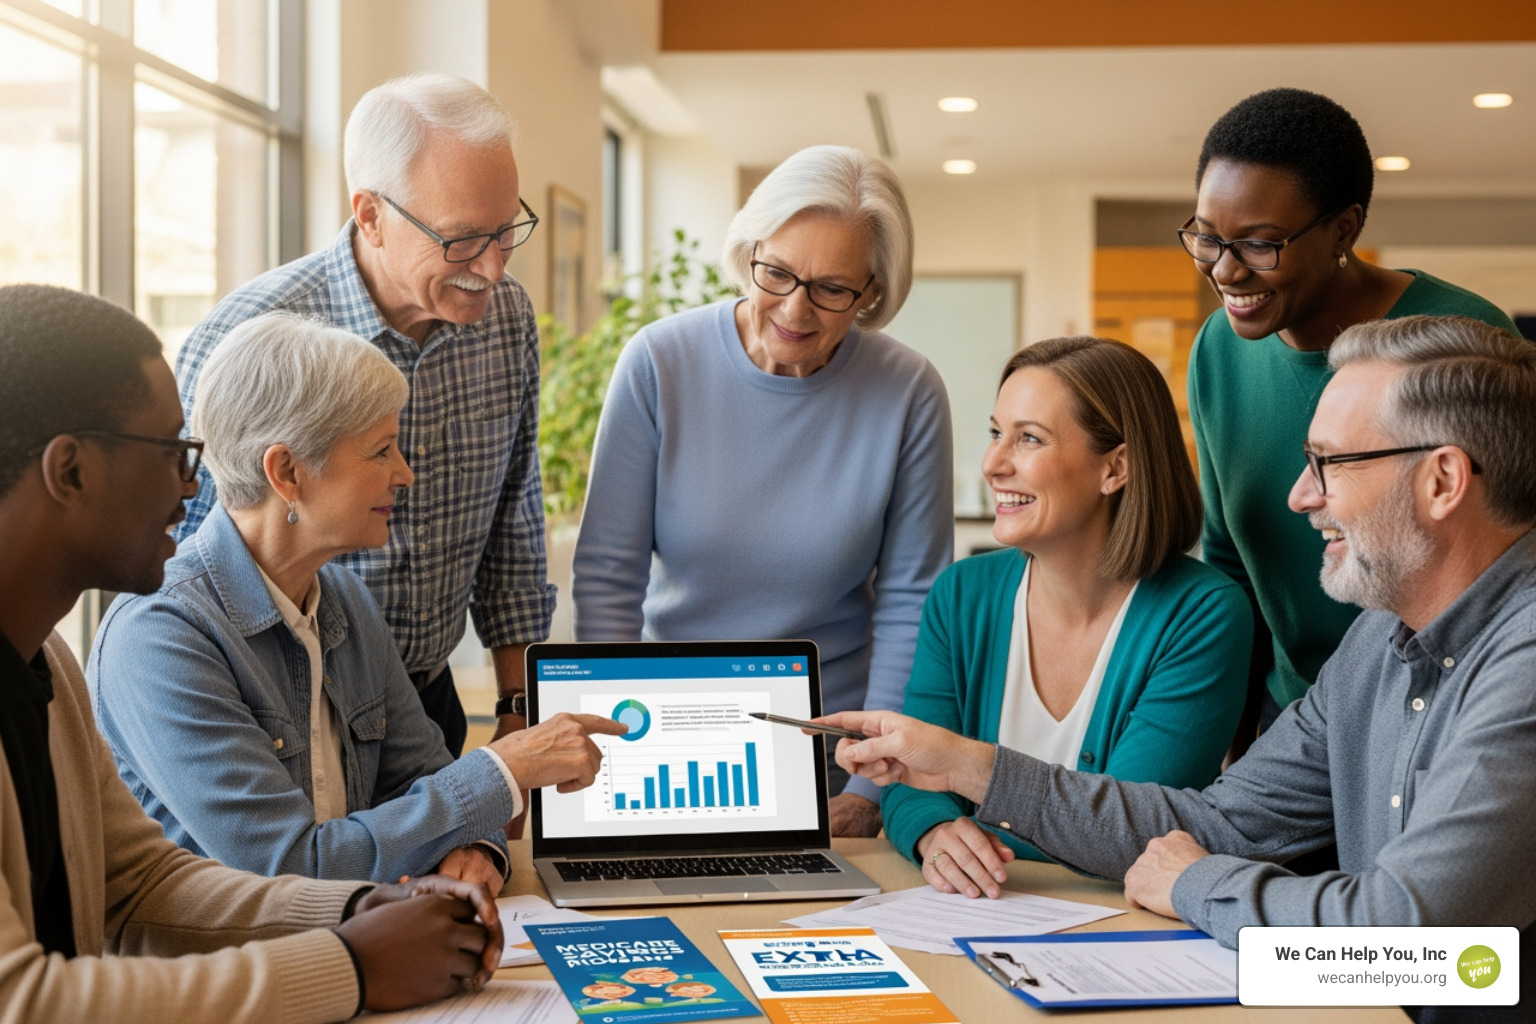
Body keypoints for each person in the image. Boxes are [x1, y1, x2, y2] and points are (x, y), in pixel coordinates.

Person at [827, 315, 1535, 1024]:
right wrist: (970, 770)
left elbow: (1409, 938)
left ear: (1442, 480)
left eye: (1330, 463)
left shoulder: (1524, 658)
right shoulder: (1376, 641)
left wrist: (1199, 882)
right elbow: (1218, 820)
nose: (1300, 496)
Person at [0, 283, 507, 1021]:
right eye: (171, 452)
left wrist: (363, 905)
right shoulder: (154, 630)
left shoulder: (50, 667)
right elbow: (21, 999)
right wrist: (353, 961)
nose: (191, 483)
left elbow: (143, 883)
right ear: (70, 471)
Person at [90, 313, 624, 886]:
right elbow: (291, 866)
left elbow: (431, 782)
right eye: (381, 451)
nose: (406, 474)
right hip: (225, 969)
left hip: (355, 942)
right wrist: (502, 771)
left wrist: (477, 850)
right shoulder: (160, 633)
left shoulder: (343, 598)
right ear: (287, 472)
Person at [571, 145, 953, 837]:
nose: (795, 309)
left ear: (872, 291)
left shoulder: (908, 391)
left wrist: (869, 784)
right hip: (663, 736)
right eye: (775, 272)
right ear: (749, 248)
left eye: (833, 288)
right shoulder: (659, 362)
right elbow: (608, 576)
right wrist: (607, 741)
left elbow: (911, 601)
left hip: (830, 748)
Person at [174, 73, 552, 759]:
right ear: (372, 215)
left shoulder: (508, 320)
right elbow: (177, 562)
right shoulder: (250, 335)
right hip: (278, 713)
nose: (494, 269)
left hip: (428, 707)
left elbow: (512, 524)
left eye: (507, 231)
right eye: (464, 240)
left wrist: (518, 704)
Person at [1182, 88, 1519, 739]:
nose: (1225, 271)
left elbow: (1505, 568)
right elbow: (1229, 562)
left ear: (1344, 228)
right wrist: (1235, 734)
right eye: (1206, 237)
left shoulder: (1463, 336)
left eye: (1258, 244)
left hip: (1440, 710)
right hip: (1290, 718)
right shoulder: (1217, 351)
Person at [882, 338, 1251, 898]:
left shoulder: (1202, 615)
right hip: (974, 912)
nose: (993, 464)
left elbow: (1131, 835)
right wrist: (933, 832)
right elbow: (911, 774)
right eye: (994, 433)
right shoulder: (962, 594)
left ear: (1116, 468)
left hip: (1119, 930)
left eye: (1029, 438)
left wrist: (970, 805)